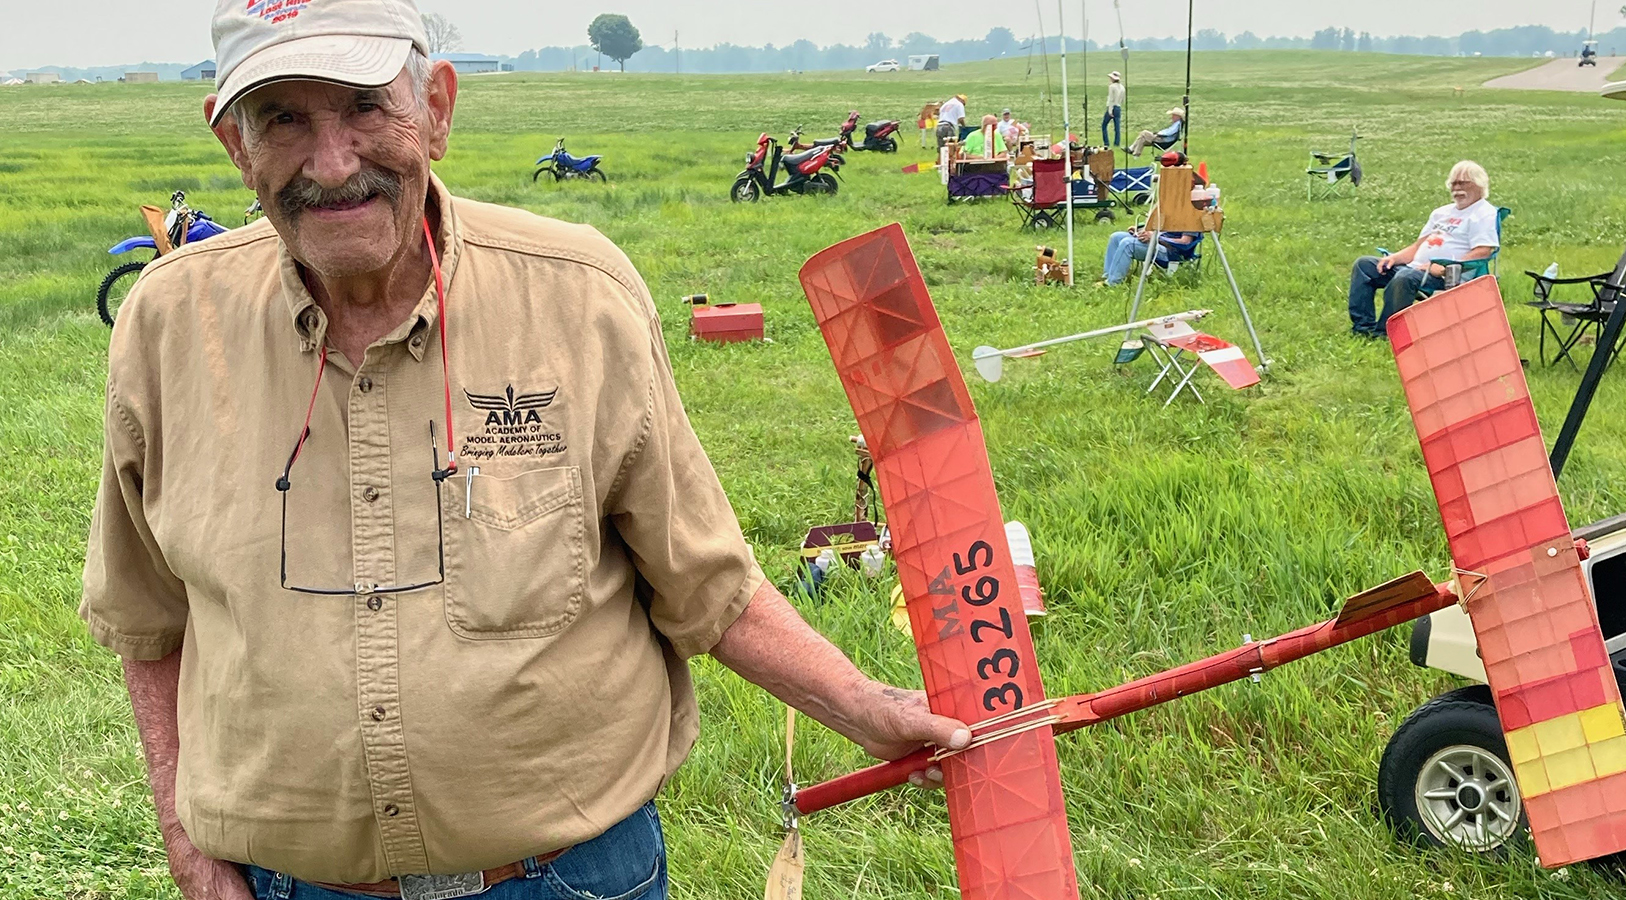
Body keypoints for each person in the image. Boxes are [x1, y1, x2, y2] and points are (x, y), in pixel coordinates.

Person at [80, 1, 971, 898]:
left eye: (362, 106)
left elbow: (705, 579)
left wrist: (866, 707)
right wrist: (190, 854)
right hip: (291, 885)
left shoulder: (580, 296)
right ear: (233, 142)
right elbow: (147, 621)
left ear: (436, 107)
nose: (333, 162)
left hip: (566, 878)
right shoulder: (165, 326)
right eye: (283, 118)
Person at [1346, 160, 1498, 338]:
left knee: (1405, 277)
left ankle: (1385, 334)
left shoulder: (1483, 213)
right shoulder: (1441, 212)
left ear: (1479, 184)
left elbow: (1482, 251)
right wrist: (1394, 258)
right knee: (1364, 265)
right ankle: (1362, 329)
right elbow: (1418, 246)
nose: (1456, 188)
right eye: (1453, 183)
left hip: (1447, 276)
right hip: (1416, 268)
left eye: (1463, 182)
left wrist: (1442, 268)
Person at [1100, 227, 1199, 285]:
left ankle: (1113, 283)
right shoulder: (1170, 208)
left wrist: (1156, 238)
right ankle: (1107, 276)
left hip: (1171, 252)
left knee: (1127, 244)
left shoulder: (1190, 215)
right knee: (1116, 237)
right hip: (1157, 242)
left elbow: (1185, 243)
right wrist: (1141, 230)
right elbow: (1158, 228)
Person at [1101, 71, 1125, 147]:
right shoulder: (1122, 87)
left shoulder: (1112, 87)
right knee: (1117, 127)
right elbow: (1123, 99)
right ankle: (1116, 143)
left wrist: (1110, 110)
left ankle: (1106, 143)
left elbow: (1111, 99)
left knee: (1104, 125)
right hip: (1118, 107)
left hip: (1112, 107)